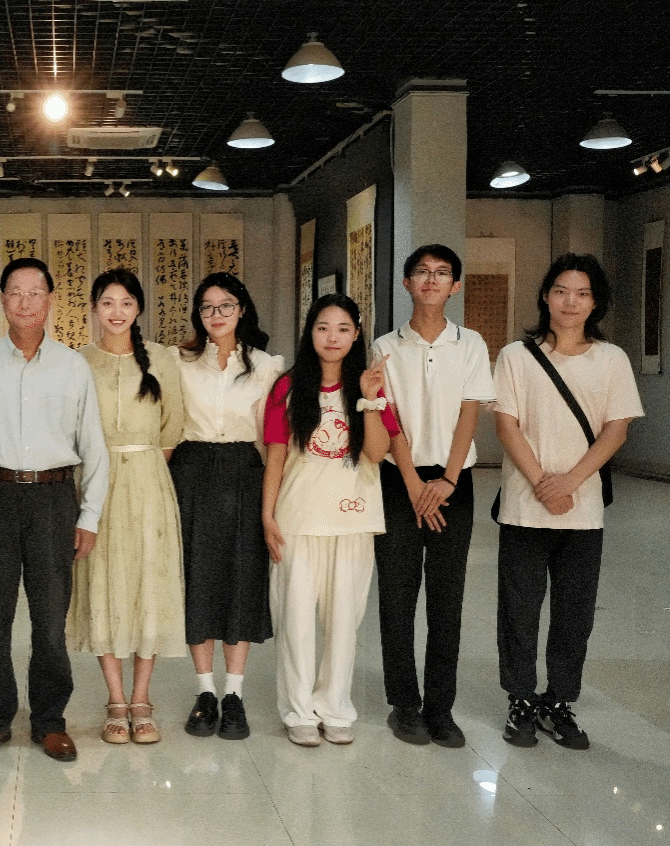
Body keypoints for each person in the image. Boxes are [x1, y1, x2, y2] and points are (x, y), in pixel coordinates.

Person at [0, 257, 109, 763]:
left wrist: (89, 515)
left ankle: (50, 720)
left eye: (35, 292)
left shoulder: (72, 367)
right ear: (2, 301)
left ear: (50, 301)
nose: (25, 302)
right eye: (15, 292)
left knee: (49, 619)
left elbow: (94, 446)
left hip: (53, 500)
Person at [492, 253, 642, 750]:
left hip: (583, 511)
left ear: (595, 302)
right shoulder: (516, 356)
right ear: (545, 296)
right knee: (519, 609)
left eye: (581, 293)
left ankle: (558, 700)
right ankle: (520, 698)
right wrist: (542, 482)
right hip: (523, 505)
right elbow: (507, 425)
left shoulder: (612, 359)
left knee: (574, 614)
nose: (570, 302)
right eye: (560, 291)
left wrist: (570, 483)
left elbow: (616, 429)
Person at [372, 245, 496, 748]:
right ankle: (404, 704)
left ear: (455, 286)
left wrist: (446, 480)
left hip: (453, 483)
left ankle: (441, 708)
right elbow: (387, 417)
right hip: (398, 480)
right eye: (422, 272)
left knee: (447, 598)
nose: (431, 279)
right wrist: (412, 482)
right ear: (406, 283)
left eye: (442, 273)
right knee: (397, 597)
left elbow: (471, 412)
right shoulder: (384, 346)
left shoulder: (471, 344)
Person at [262, 293, 397, 747]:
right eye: (323, 327)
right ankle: (299, 710)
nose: (332, 337)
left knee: (344, 623)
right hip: (298, 519)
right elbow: (276, 456)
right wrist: (267, 515)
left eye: (342, 328)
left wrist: (370, 400)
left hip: (352, 520)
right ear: (310, 332)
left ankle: (335, 707)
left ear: (356, 334)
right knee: (296, 620)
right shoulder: (287, 387)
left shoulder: (369, 385)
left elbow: (376, 453)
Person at [68, 269, 186, 745]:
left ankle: (141, 699)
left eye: (126, 303)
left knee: (147, 584)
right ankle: (115, 700)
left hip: (149, 481)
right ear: (94, 308)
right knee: (102, 583)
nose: (116, 312)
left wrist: (142, 470)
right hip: (95, 485)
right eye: (107, 303)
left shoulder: (161, 358)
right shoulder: (79, 361)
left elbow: (172, 426)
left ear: (138, 308)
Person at [168, 273, 282, 742]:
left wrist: (272, 504)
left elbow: (273, 440)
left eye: (226, 305)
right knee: (198, 579)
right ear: (198, 314)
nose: (216, 315)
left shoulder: (266, 366)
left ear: (242, 310)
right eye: (207, 307)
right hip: (191, 471)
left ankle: (234, 694)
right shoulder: (179, 361)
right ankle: (205, 692)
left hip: (243, 473)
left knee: (241, 580)